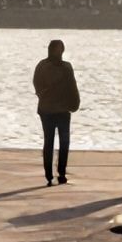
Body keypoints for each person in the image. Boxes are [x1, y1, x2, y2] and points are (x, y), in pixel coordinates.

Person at [33, 39, 80, 186]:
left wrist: (74, 103)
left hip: (62, 109)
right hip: (48, 110)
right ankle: (49, 174)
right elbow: (37, 84)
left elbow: (72, 86)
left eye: (60, 49)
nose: (58, 52)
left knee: (64, 141)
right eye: (57, 49)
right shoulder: (44, 66)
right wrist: (44, 95)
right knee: (50, 141)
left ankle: (61, 172)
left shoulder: (66, 67)